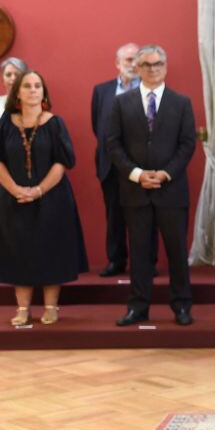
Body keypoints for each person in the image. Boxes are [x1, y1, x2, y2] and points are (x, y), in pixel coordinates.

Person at [0, 70, 88, 326]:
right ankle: (23, 309)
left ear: (44, 92)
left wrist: (38, 190)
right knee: (18, 251)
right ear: (17, 92)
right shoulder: (6, 122)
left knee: (50, 249)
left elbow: (62, 163)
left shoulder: (55, 123)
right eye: (27, 86)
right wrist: (15, 189)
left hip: (52, 199)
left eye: (37, 86)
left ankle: (51, 307)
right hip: (12, 200)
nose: (32, 90)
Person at [106, 44, 197, 327]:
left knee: (177, 253)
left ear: (165, 67)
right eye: (146, 65)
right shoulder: (122, 103)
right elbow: (113, 143)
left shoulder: (181, 102)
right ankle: (138, 308)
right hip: (135, 190)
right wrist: (136, 174)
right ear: (138, 69)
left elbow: (187, 144)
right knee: (140, 253)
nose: (153, 69)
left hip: (171, 190)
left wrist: (165, 173)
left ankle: (181, 306)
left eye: (158, 64)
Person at [91, 43, 147, 277]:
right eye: (128, 60)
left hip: (142, 164)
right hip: (111, 164)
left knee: (143, 216)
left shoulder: (149, 89)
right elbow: (98, 126)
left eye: (137, 60)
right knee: (114, 215)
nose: (133, 65)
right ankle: (116, 261)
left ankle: (145, 263)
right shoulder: (102, 91)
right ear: (117, 64)